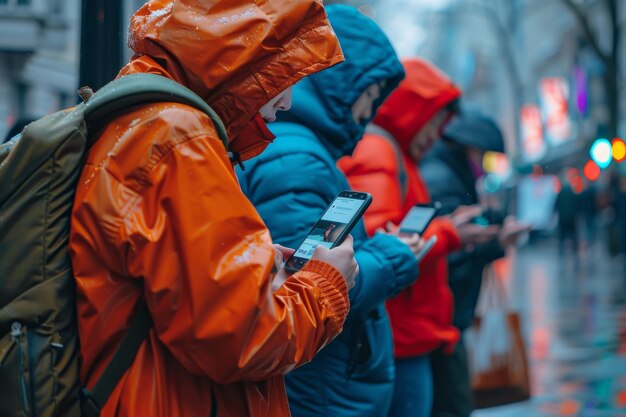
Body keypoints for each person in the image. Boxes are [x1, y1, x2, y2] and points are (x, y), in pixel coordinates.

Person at [68, 1, 358, 416]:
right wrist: (327, 282)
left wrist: (256, 267)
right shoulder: (182, 141)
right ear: (243, 60)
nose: (289, 101)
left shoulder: (140, 116)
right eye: (285, 71)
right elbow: (242, 339)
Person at [237, 6, 423, 417]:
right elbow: (311, 284)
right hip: (318, 388)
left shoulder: (297, 148)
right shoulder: (296, 157)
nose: (367, 113)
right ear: (338, 84)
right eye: (367, 96)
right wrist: (394, 256)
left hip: (320, 382)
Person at [339, 59, 499, 417]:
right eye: (435, 119)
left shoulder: (395, 152)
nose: (437, 133)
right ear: (414, 110)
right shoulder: (380, 149)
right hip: (401, 337)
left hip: (406, 333)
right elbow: (382, 242)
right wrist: (449, 232)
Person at [421, 110, 530, 417]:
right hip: (444, 321)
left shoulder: (446, 172)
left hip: (444, 319)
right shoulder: (442, 177)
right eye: (484, 155)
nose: (485, 165)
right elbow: (451, 252)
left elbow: (465, 224)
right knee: (453, 403)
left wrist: (497, 226)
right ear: (469, 147)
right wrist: (498, 242)